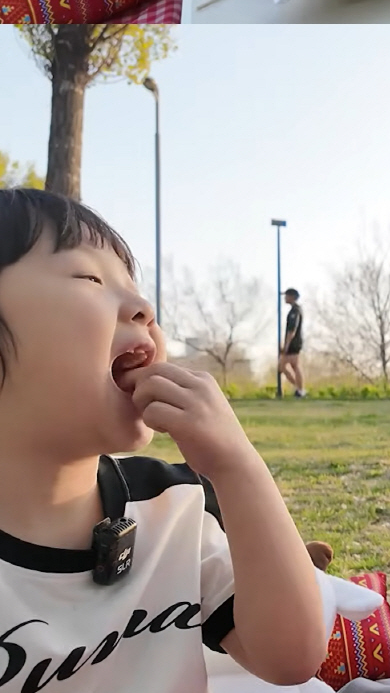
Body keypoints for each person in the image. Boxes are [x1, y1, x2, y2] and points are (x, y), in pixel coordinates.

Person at [0, 186, 327, 693]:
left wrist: (238, 468)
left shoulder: (173, 508)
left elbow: (292, 658)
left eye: (133, 286)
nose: (143, 307)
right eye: (88, 277)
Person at [278, 290, 305, 399]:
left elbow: (292, 330)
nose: (285, 298)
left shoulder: (295, 311)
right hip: (294, 342)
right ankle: (299, 389)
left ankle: (300, 389)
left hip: (293, 343)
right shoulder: (295, 310)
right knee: (291, 366)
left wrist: (286, 345)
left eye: (287, 296)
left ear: (292, 297)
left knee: (285, 366)